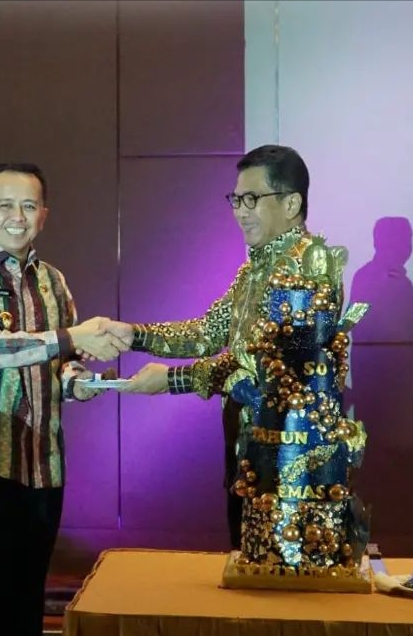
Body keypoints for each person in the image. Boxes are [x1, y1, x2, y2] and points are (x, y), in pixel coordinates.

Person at [0, 162, 131, 636]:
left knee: (25, 604)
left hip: (42, 466)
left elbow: (63, 362)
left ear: (43, 215)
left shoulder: (53, 281)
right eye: (5, 205)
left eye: (28, 206)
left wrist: (80, 381)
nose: (17, 216)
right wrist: (72, 338)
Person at [118, 144, 322, 549]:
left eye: (252, 199)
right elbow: (206, 332)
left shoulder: (308, 270)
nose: (240, 211)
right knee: (245, 562)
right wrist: (133, 334)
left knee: (276, 575)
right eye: (236, 199)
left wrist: (173, 379)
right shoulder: (255, 269)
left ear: (291, 203)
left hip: (290, 454)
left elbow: (270, 369)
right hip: (246, 445)